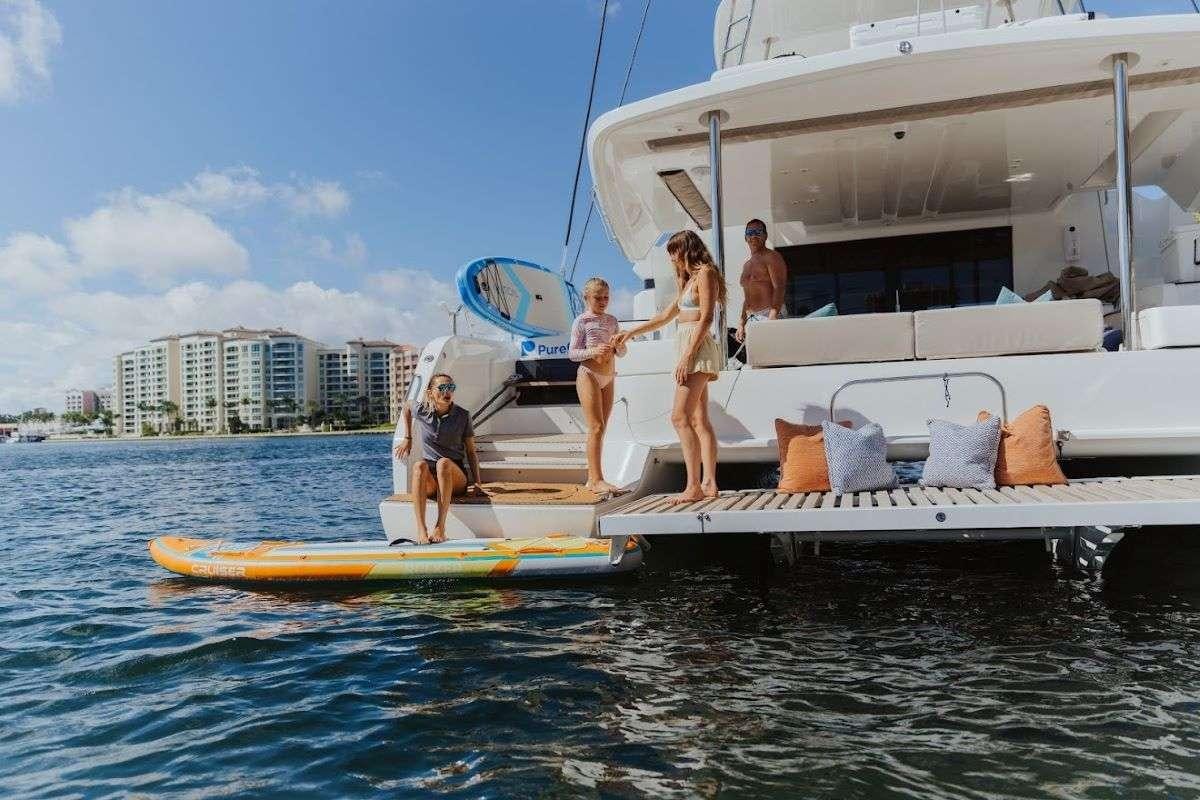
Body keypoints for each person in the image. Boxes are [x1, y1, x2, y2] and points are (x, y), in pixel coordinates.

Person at [615, 230, 726, 504]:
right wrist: (631, 332)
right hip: (690, 345)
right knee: (699, 420)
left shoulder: (705, 273)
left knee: (679, 417)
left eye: (673, 252)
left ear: (684, 250)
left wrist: (687, 356)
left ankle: (693, 486)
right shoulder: (688, 281)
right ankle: (709, 483)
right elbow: (665, 316)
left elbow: (707, 317)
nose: (671, 258)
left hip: (696, 347)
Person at [393, 373, 484, 544]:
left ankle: (440, 526)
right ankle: (421, 529)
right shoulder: (423, 410)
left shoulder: (463, 415)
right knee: (419, 466)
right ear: (430, 393)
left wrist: (478, 482)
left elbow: (471, 452)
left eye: (451, 387)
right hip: (431, 478)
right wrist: (408, 437)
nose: (447, 391)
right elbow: (407, 406)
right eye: (442, 388)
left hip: (454, 474)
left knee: (443, 463)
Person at [569, 277, 627, 496]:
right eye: (598, 298)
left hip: (608, 376)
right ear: (586, 297)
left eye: (606, 297)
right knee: (595, 427)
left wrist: (619, 346)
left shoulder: (612, 321)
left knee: (602, 428)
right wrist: (593, 351)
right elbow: (572, 353)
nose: (603, 301)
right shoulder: (581, 321)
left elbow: (622, 353)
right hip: (589, 375)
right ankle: (595, 480)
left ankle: (593, 478)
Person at [734, 218, 788, 346]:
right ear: (745, 237)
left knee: (774, 354)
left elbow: (779, 287)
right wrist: (741, 323)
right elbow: (747, 298)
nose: (753, 236)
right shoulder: (747, 265)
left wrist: (773, 316)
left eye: (758, 232)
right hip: (752, 319)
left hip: (770, 314)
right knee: (757, 356)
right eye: (750, 232)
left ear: (765, 236)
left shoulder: (772, 257)